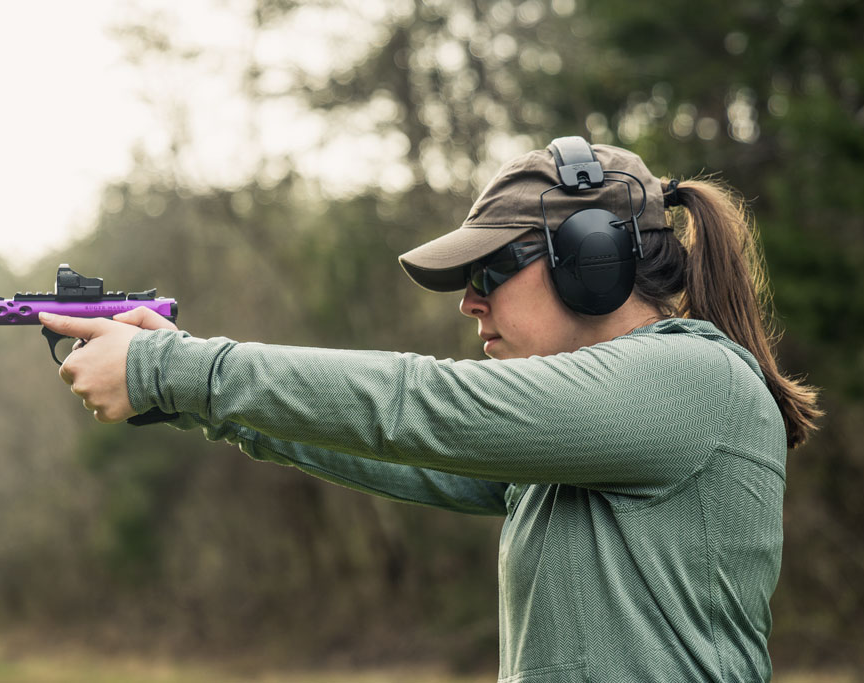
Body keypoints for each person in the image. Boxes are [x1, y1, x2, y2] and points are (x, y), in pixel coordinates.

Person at [40, 137, 822, 682]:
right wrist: (190, 397)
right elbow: (391, 446)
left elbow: (423, 406)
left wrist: (180, 368)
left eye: (490, 270)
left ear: (590, 256)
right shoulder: (580, 440)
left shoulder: (694, 377)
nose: (470, 303)